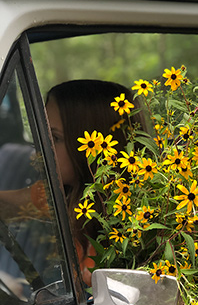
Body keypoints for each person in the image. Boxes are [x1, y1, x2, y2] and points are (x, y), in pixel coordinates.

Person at [0, 79, 145, 287]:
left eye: (55, 138)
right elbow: (9, 205)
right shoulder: (63, 195)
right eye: (43, 136)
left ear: (93, 143)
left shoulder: (135, 221)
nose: (42, 150)